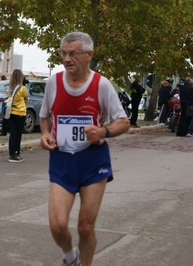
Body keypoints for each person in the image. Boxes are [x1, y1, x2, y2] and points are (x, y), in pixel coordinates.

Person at [39, 32, 130, 266]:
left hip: (92, 160)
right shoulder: (53, 82)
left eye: (73, 54)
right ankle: (70, 257)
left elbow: (123, 121)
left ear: (88, 55)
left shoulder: (101, 84)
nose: (67, 59)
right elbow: (45, 117)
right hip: (61, 160)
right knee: (57, 225)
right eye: (63, 53)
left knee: (86, 227)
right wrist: (46, 134)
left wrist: (104, 132)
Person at [7, 69, 28, 162]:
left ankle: (11, 154)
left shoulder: (9, 88)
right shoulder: (23, 88)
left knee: (12, 134)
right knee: (18, 135)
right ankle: (17, 153)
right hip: (20, 113)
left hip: (11, 113)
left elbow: (9, 99)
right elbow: (26, 100)